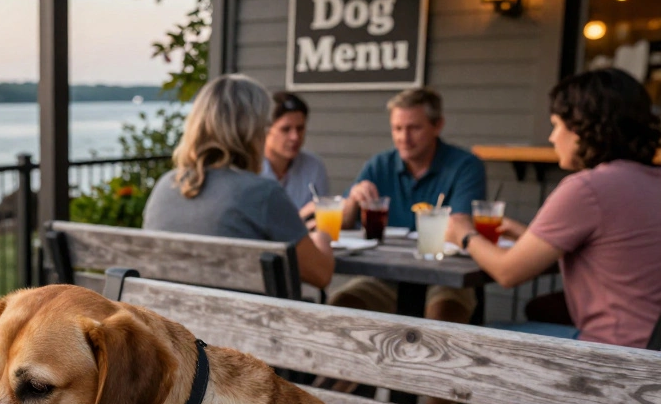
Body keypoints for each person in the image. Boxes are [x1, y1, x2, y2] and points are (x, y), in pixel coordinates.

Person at [446, 68, 661, 404]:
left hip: (618, 389)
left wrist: (461, 232)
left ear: (586, 127)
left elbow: (506, 272)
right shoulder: (651, 181)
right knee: (527, 326)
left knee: (468, 353)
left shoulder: (587, 188)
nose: (551, 135)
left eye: (558, 124)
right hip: (651, 377)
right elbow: (612, 253)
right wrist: (531, 238)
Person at [143, 74, 335, 290]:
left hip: (169, 320)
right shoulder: (263, 194)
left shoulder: (164, 186)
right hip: (242, 322)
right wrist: (322, 238)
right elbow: (321, 274)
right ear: (252, 131)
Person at [329, 87, 486, 329]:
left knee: (442, 320)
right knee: (339, 309)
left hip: (446, 276)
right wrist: (352, 202)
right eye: (397, 128)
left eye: (414, 127)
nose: (404, 137)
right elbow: (343, 225)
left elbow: (459, 225)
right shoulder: (380, 165)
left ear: (437, 125)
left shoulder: (465, 166)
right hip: (385, 276)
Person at [260, 91, 329, 213]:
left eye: (300, 128)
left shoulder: (314, 167)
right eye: (286, 129)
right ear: (265, 131)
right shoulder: (249, 169)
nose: (295, 137)